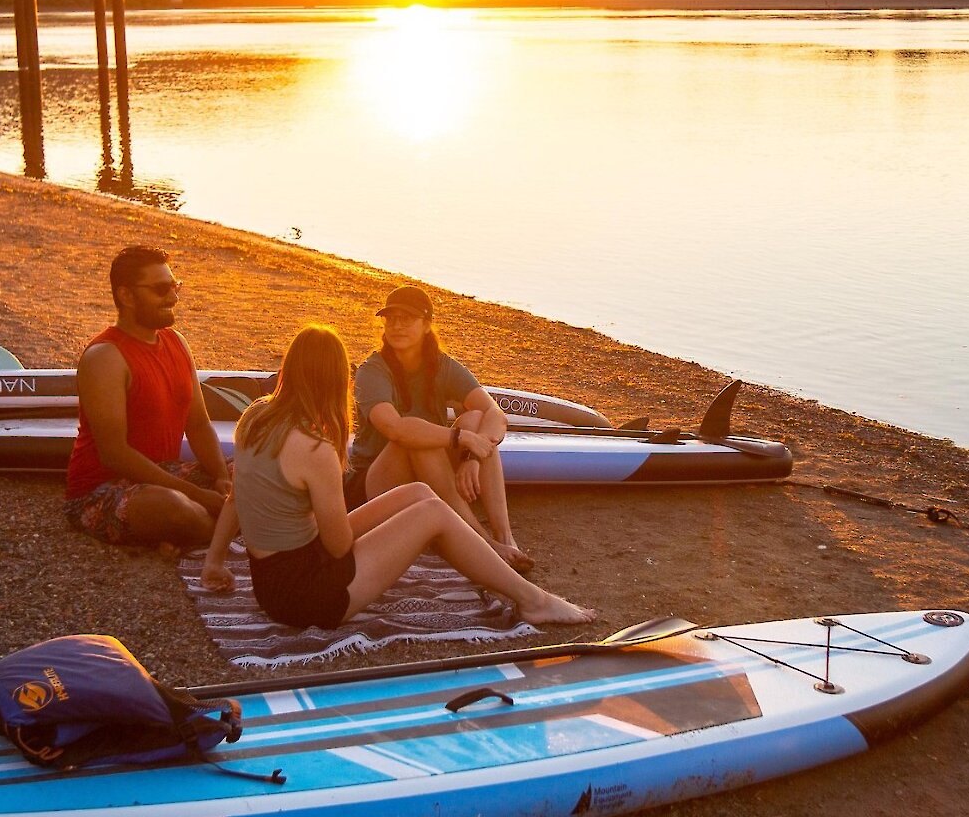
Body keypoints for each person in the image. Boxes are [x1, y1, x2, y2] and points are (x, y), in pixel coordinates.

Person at [201, 326, 592, 629]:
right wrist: (399, 533)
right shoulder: (314, 448)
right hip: (309, 599)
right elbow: (337, 547)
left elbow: (238, 496)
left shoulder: (254, 417)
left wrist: (215, 561)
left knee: (420, 494)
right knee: (431, 515)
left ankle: (490, 559)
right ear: (337, 380)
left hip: (272, 584)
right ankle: (533, 601)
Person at [346, 286, 532, 571]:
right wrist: (460, 437)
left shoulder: (442, 366)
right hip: (374, 483)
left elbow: (495, 413)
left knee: (474, 419)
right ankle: (481, 543)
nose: (396, 326)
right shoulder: (372, 371)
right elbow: (396, 429)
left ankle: (505, 536)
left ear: (427, 325)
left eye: (406, 319)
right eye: (391, 318)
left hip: (425, 474)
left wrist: (473, 455)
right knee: (419, 438)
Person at [63, 246, 230, 548]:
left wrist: (220, 477)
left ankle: (213, 526)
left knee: (256, 468)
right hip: (102, 491)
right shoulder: (106, 357)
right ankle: (228, 527)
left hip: (164, 472)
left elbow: (198, 424)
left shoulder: (176, 342)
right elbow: (115, 454)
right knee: (171, 506)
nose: (174, 297)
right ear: (126, 296)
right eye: (161, 289)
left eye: (175, 286)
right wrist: (197, 495)